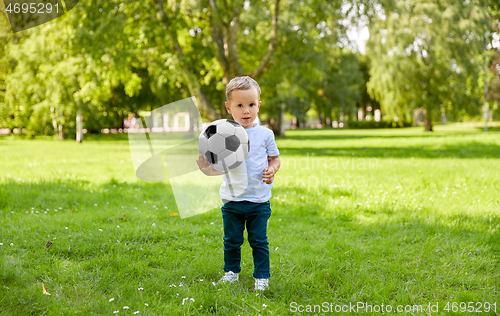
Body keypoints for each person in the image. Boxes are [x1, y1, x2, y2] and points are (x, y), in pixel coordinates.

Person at [196, 76, 281, 291]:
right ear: (228, 107)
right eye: (240, 105)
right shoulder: (222, 135)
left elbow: (275, 159)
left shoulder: (265, 134)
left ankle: (262, 277)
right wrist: (207, 170)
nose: (246, 111)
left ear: (259, 105)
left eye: (251, 105)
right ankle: (231, 272)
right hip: (232, 200)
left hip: (258, 201)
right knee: (231, 240)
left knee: (259, 241)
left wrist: (272, 169)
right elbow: (220, 168)